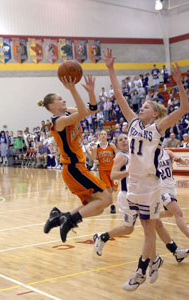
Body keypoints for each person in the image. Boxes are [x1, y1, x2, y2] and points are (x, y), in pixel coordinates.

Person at [102, 48, 189, 291]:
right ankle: (153, 262)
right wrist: (110, 69)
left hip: (150, 185)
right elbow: (119, 95)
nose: (141, 109)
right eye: (141, 107)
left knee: (149, 229)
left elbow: (183, 109)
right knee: (142, 228)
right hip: (133, 185)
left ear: (155, 114)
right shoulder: (131, 123)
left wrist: (180, 85)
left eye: (146, 107)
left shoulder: (157, 128)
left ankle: (140, 271)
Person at [93, 134, 189, 265]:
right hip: (128, 196)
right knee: (134, 228)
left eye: (125, 138)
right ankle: (151, 259)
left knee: (155, 223)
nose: (123, 141)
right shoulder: (122, 156)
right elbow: (113, 175)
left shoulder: (136, 154)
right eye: (120, 140)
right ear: (117, 144)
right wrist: (129, 172)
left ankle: (174, 251)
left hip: (139, 195)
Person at [38, 75, 112, 243]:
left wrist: (92, 92)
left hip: (77, 168)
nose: (63, 100)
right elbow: (82, 113)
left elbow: (91, 109)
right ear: (51, 106)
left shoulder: (69, 111)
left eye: (63, 97)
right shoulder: (59, 122)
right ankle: (69, 220)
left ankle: (59, 218)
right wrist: (72, 89)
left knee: (98, 208)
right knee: (106, 199)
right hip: (73, 168)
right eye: (59, 99)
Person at [159, 149, 189, 238]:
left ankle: (148, 215)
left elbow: (183, 162)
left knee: (169, 213)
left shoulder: (167, 152)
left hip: (171, 186)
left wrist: (180, 160)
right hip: (161, 189)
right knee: (178, 213)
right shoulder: (149, 155)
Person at [88, 129, 117, 214]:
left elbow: (117, 153)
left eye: (105, 134)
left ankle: (100, 197)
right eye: (101, 134)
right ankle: (112, 205)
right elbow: (94, 158)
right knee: (109, 189)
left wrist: (116, 159)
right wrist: (95, 160)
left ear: (107, 136)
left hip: (112, 170)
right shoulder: (96, 147)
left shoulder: (111, 145)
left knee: (114, 189)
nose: (103, 135)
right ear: (99, 136)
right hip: (103, 170)